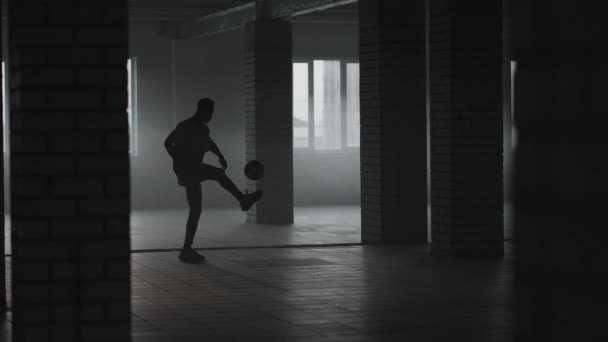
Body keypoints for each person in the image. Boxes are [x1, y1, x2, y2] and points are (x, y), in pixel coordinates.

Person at [164, 98, 262, 262]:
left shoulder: (203, 129)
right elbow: (167, 143)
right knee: (218, 175)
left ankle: (186, 249)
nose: (211, 116)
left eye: (212, 113)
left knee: (195, 210)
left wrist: (220, 156)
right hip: (187, 170)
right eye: (209, 112)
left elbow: (210, 144)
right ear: (201, 110)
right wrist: (178, 159)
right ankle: (243, 200)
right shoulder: (185, 126)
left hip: (193, 170)